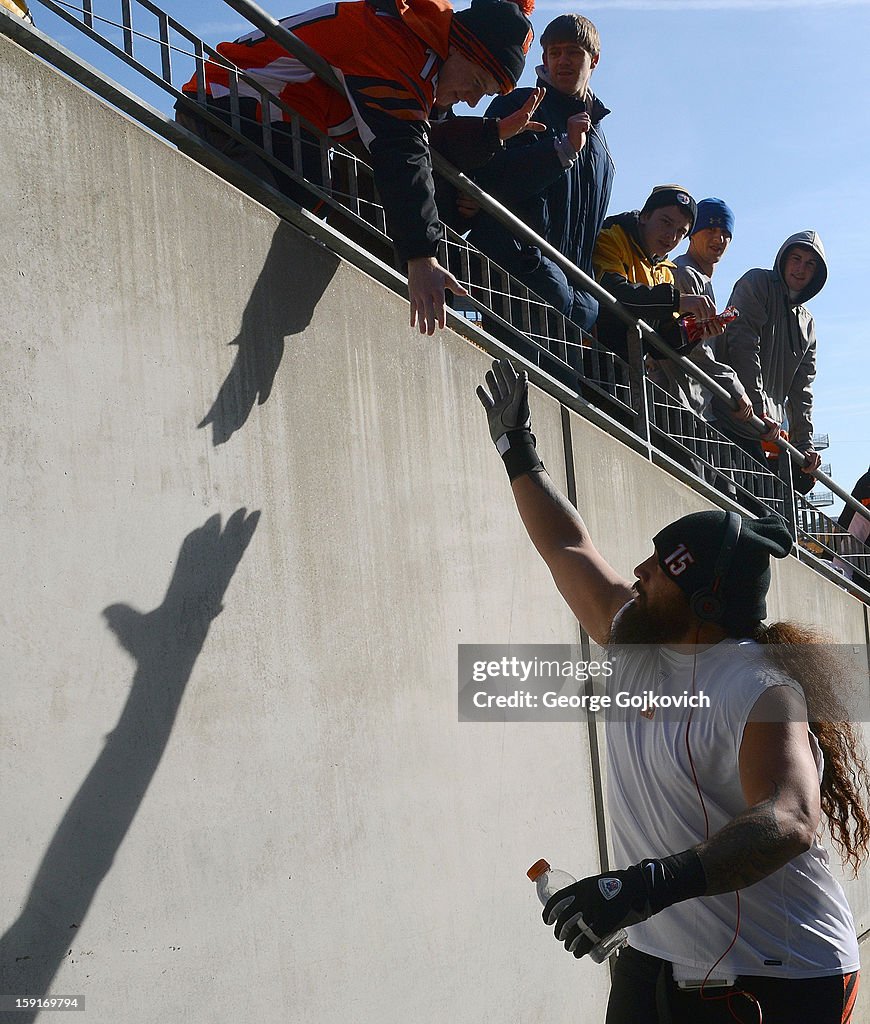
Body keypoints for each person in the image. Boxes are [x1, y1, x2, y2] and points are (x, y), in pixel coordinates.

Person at [476, 358, 867, 1023]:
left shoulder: (759, 688)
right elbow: (568, 547)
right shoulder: (638, 636)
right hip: (659, 954)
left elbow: (790, 818)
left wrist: (641, 886)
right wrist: (518, 449)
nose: (637, 573)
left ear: (706, 605)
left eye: (659, 570)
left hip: (781, 973)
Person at [179, 0, 536, 337]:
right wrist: (421, 256)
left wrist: (492, 133)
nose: (473, 99)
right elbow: (402, 149)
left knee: (324, 218)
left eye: (484, 94)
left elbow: (424, 140)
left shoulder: (420, 52)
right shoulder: (396, 46)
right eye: (476, 83)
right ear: (458, 48)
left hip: (271, 125)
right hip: (227, 108)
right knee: (306, 229)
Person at [462, 13, 614, 334]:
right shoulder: (519, 105)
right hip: (511, 285)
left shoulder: (603, 153)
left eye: (573, 52)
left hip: (572, 312)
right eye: (554, 52)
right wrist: (560, 151)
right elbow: (486, 177)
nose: (563, 61)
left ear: (594, 60)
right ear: (543, 58)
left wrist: (585, 299)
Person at [712, 232, 827, 491]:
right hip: (729, 415)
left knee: (762, 518)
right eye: (796, 259)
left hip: (767, 433)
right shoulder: (757, 283)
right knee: (726, 507)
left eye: (810, 264)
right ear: (783, 260)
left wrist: (804, 445)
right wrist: (757, 405)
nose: (801, 269)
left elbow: (803, 391)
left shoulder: (807, 324)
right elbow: (743, 344)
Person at [672, 197, 734, 305]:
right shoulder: (684, 273)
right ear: (692, 232)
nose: (719, 239)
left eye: (725, 232)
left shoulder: (701, 278)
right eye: (711, 229)